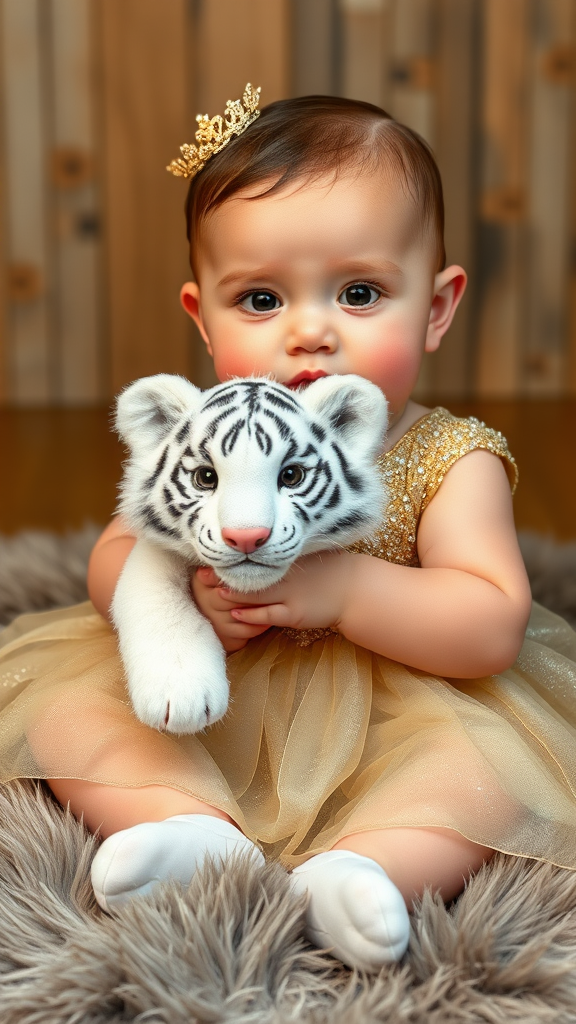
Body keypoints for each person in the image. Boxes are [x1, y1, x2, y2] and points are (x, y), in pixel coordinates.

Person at [1, 88, 576, 974]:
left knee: (488, 774)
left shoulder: (448, 458)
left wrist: (345, 591)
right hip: (221, 689)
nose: (311, 333)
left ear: (435, 306)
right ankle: (188, 832)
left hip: (405, 698)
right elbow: (116, 557)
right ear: (202, 320)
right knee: (70, 713)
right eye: (262, 299)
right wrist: (183, 601)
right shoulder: (206, 444)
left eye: (358, 292)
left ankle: (366, 870)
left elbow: (492, 623)